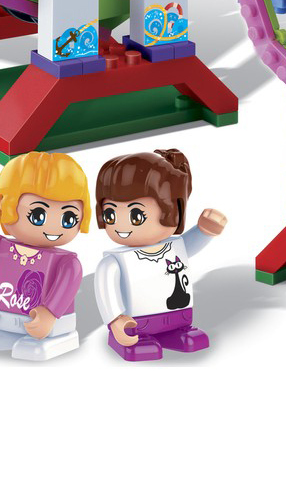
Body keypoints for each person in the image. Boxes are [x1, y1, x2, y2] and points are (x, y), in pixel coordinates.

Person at [0, 151, 88, 362]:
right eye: (38, 215)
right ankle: (6, 333)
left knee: (34, 343)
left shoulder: (67, 262)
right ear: (5, 206)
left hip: (53, 325)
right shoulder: (8, 248)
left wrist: (50, 313)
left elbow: (67, 285)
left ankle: (54, 336)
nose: (53, 228)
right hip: (6, 317)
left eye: (68, 218)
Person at [93, 148, 226, 362]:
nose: (122, 225)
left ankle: (175, 331)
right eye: (110, 214)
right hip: (135, 323)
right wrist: (115, 319)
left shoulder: (174, 246)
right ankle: (138, 338)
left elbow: (188, 247)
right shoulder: (114, 262)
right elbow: (106, 291)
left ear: (173, 210)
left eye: (136, 215)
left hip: (176, 316)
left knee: (184, 333)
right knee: (139, 338)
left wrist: (204, 231)